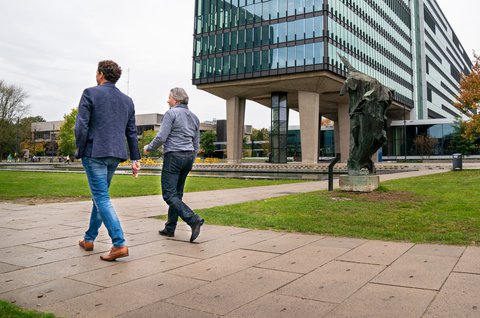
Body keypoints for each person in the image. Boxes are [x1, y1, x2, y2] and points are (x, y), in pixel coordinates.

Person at [75, 60, 141, 261]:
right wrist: (135, 159)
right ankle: (89, 238)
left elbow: (81, 126)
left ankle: (119, 243)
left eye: (96, 72)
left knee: (101, 198)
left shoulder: (90, 93)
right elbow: (132, 132)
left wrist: (81, 149)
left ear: (101, 74)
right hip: (115, 154)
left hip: (95, 152)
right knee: (99, 197)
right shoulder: (127, 101)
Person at [144, 87, 204, 242]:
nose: (167, 100)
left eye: (169, 97)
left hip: (174, 157)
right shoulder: (195, 118)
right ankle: (170, 228)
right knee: (177, 194)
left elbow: (161, 137)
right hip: (188, 157)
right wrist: (192, 158)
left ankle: (193, 219)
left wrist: (148, 148)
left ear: (176, 99)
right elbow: (196, 143)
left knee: (169, 195)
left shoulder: (171, 113)